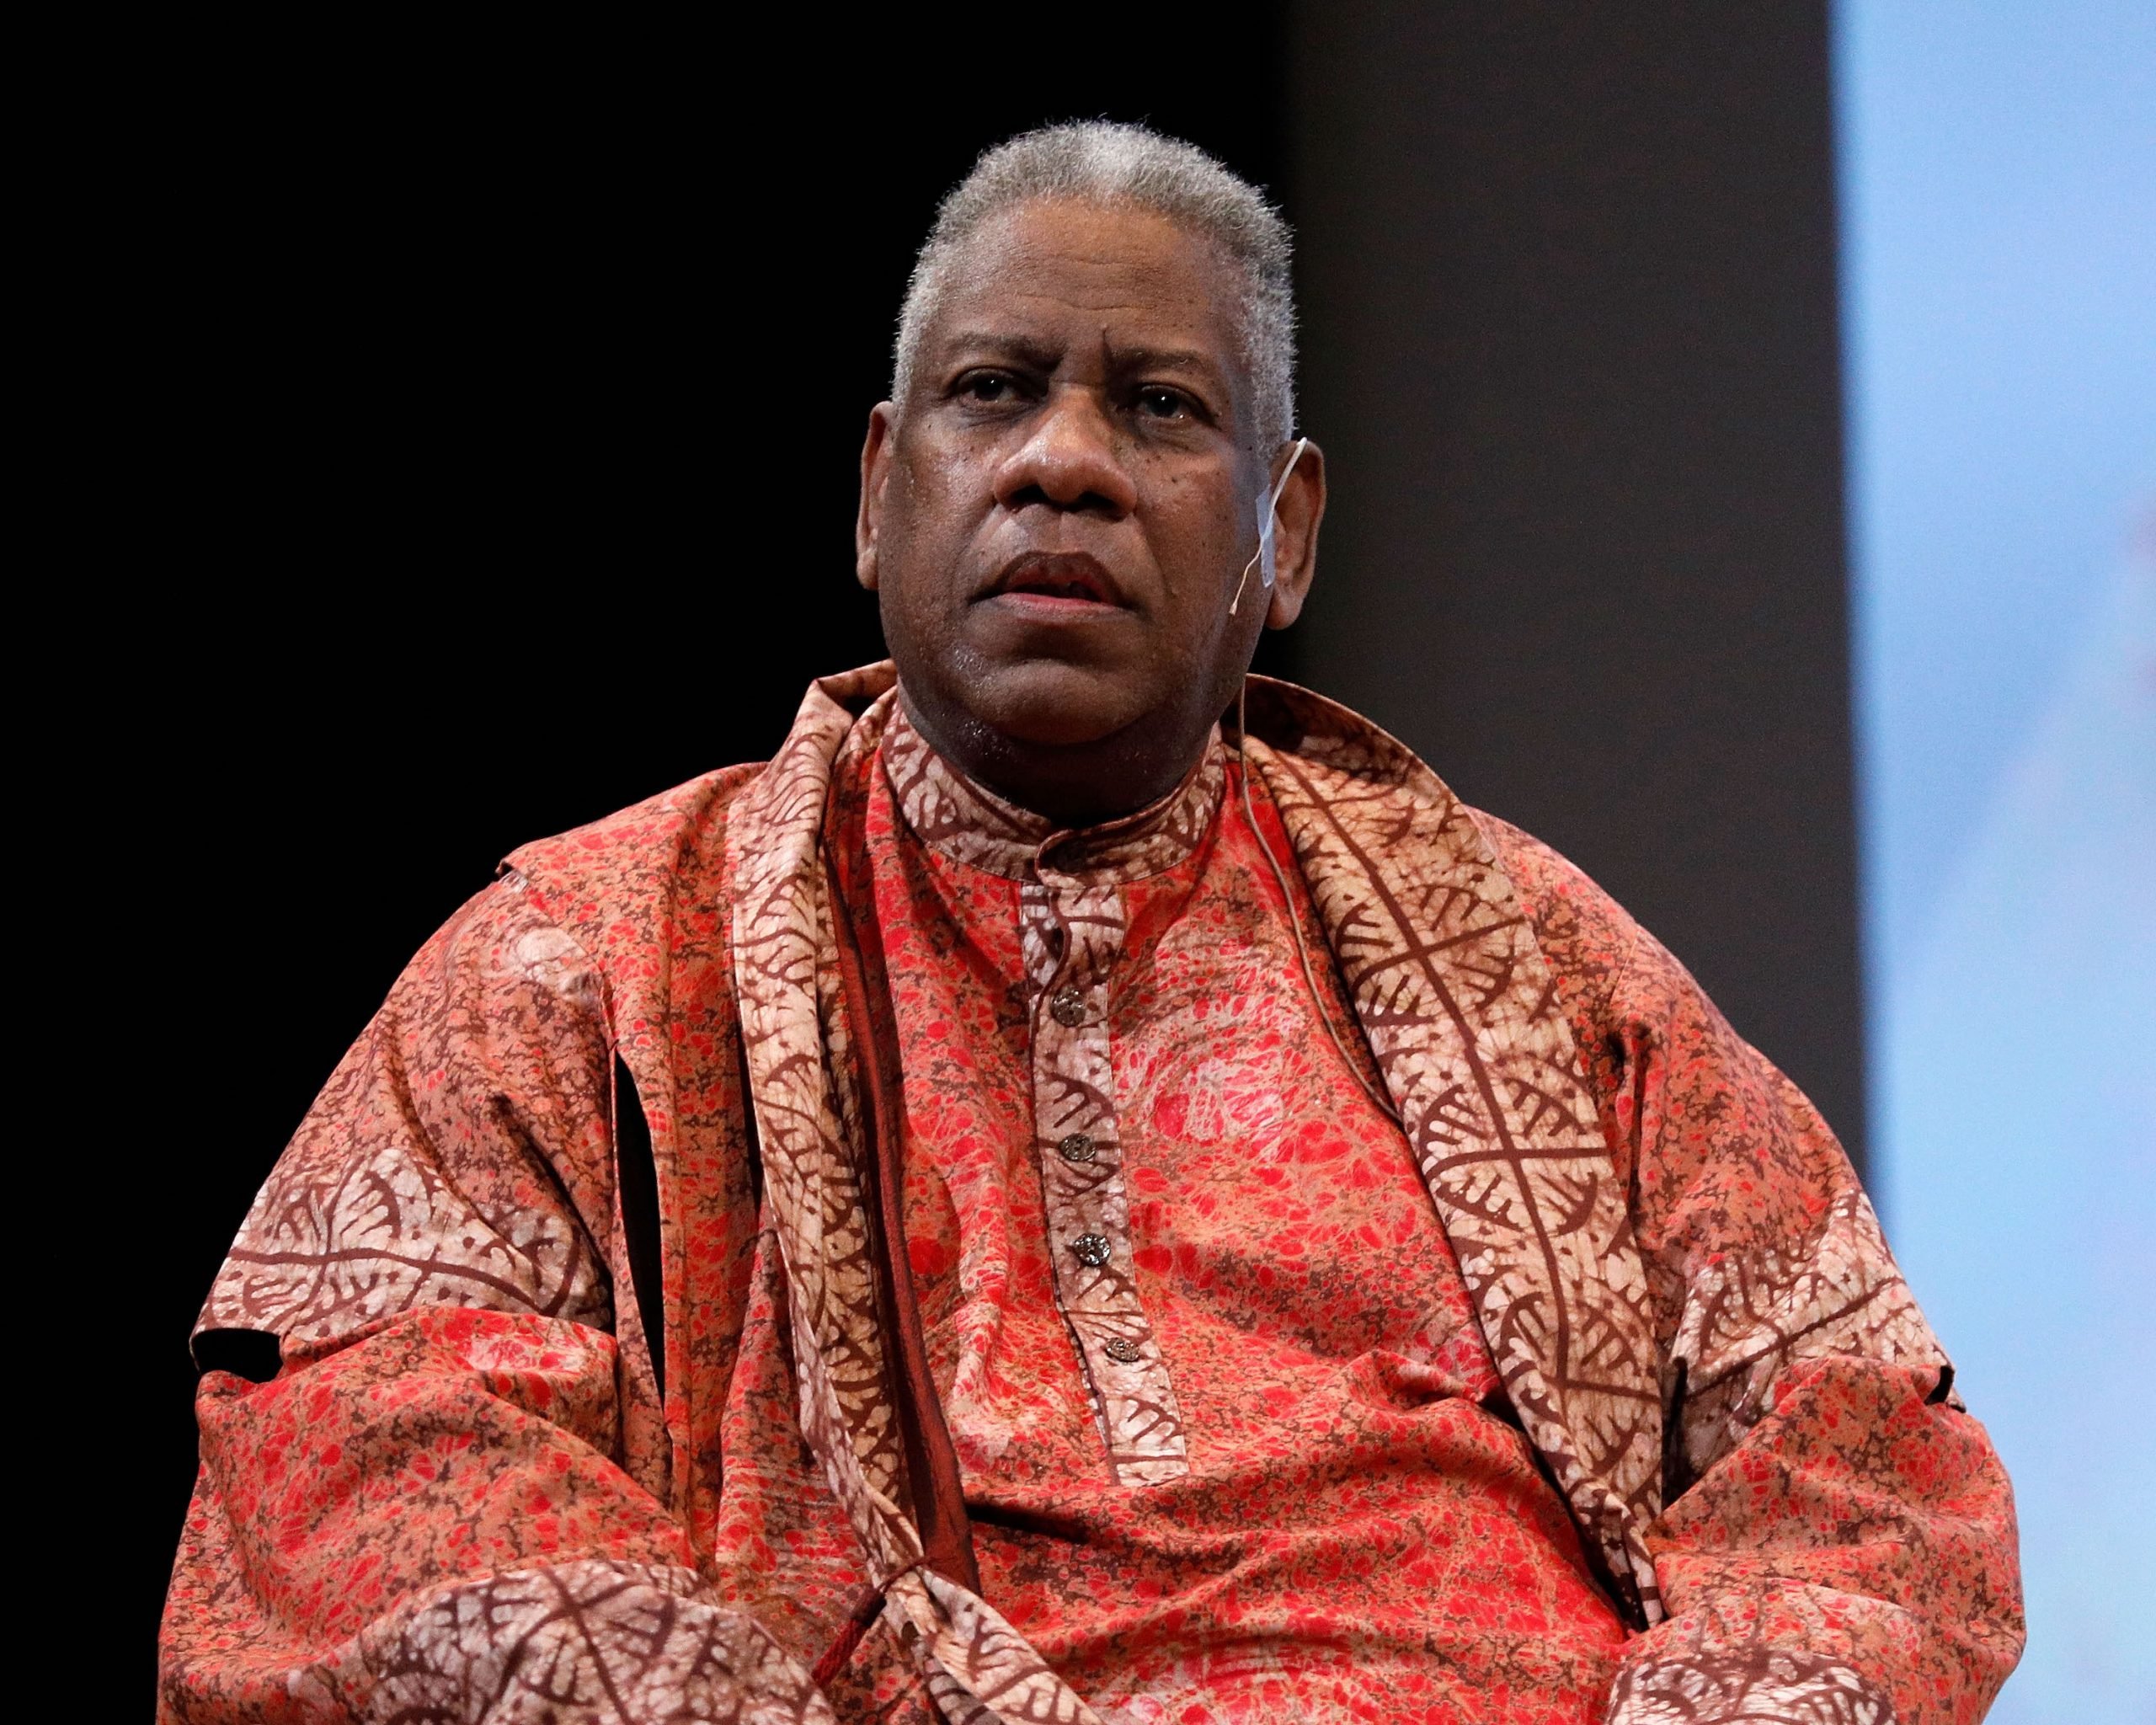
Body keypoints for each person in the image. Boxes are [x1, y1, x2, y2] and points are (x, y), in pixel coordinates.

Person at [160, 123, 2021, 1725]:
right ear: (876, 494)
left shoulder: (1531, 960)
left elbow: (1864, 1473)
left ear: (1283, 538)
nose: (1062, 461)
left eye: (1159, 406)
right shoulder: (578, 961)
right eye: (993, 391)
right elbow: (361, 1467)